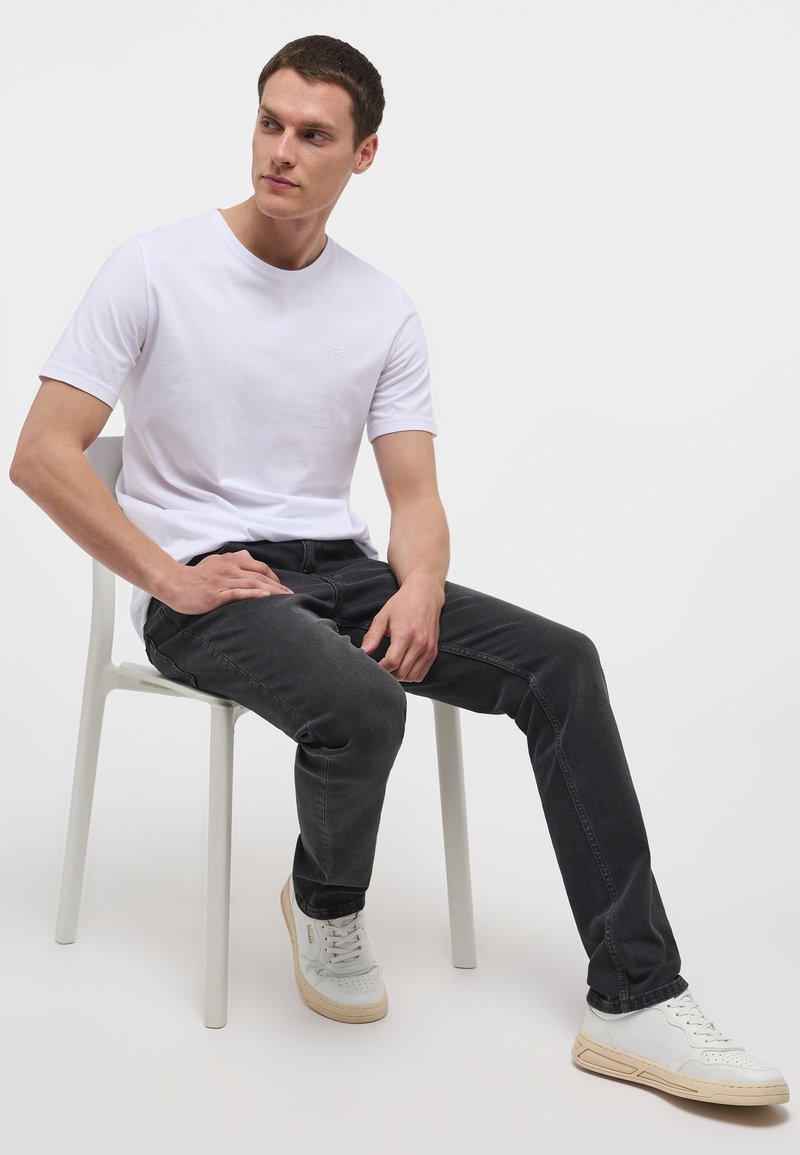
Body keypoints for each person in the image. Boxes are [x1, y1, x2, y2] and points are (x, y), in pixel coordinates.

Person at [10, 34, 788, 1107]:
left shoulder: (379, 308)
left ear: (363, 153)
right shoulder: (153, 268)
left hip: (345, 574)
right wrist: (170, 577)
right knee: (365, 705)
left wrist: (419, 583)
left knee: (561, 664)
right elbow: (42, 454)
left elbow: (413, 497)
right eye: (269, 123)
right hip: (210, 587)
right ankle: (325, 904)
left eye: (312, 134)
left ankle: (635, 998)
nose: (281, 151)